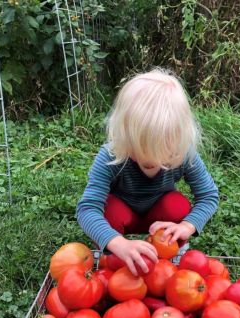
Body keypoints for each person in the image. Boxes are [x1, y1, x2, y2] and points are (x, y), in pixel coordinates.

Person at [76, 68, 219, 276]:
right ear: (125, 136)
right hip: (123, 216)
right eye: (140, 151)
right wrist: (117, 243)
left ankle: (173, 252)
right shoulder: (111, 155)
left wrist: (187, 226)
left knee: (176, 205)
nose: (150, 160)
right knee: (110, 210)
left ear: (178, 138)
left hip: (159, 217)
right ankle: (109, 254)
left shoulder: (183, 152)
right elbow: (87, 209)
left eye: (163, 155)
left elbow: (208, 196)